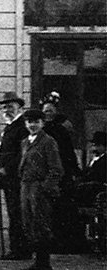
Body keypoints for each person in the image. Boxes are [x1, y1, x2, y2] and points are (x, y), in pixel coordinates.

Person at [18, 107, 63, 270]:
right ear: (25, 123)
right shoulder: (25, 142)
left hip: (39, 188)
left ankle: (45, 265)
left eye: (36, 122)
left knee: (41, 225)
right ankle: (37, 263)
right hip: (26, 186)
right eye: (29, 121)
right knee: (29, 224)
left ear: (42, 123)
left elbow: (56, 169)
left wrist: (45, 188)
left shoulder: (48, 142)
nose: (33, 125)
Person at [0, 91, 29, 259]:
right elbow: (3, 154)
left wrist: (7, 169)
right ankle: (17, 249)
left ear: (20, 108)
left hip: (17, 178)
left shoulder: (22, 127)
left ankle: (20, 250)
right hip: (8, 179)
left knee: (18, 215)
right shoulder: (10, 127)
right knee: (14, 214)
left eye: (11, 107)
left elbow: (22, 154)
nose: (7, 110)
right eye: (5, 107)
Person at [41, 98, 81, 251]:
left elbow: (69, 153)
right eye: (45, 111)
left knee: (61, 209)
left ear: (55, 113)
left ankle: (63, 242)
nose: (48, 114)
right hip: (45, 175)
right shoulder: (40, 131)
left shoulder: (61, 130)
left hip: (61, 174)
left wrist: (74, 170)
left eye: (50, 111)